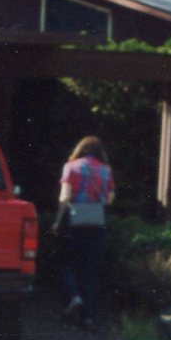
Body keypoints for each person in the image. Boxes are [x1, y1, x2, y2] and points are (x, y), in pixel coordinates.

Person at [52, 135, 115, 327]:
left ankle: (73, 296)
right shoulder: (106, 170)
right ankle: (88, 317)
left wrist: (56, 221)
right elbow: (110, 199)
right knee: (90, 270)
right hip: (97, 223)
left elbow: (64, 197)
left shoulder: (70, 167)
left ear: (80, 149)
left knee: (67, 264)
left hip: (74, 221)